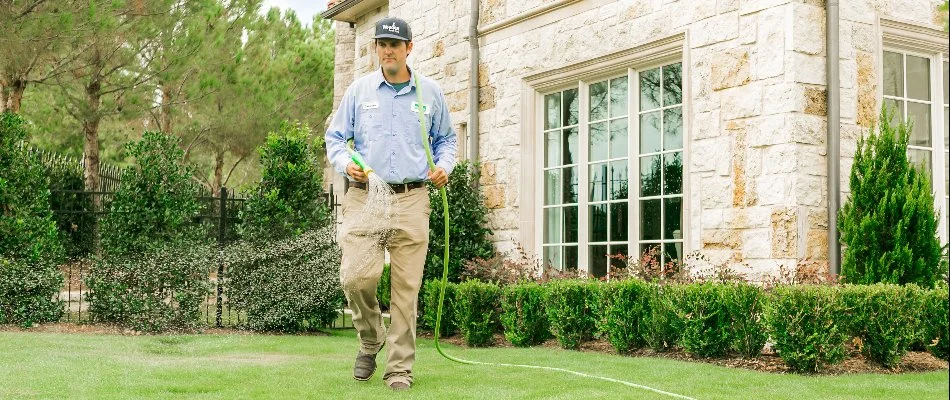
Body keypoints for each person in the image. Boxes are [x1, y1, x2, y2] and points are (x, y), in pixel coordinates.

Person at [324, 16, 458, 392]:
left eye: (394, 45)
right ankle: (370, 337)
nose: (386, 50)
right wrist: (345, 163)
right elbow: (335, 138)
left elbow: (447, 140)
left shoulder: (429, 93)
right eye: (381, 44)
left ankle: (399, 369)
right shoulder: (359, 91)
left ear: (409, 49)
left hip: (413, 199)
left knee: (405, 291)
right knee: (355, 277)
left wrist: (444, 167)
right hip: (365, 198)